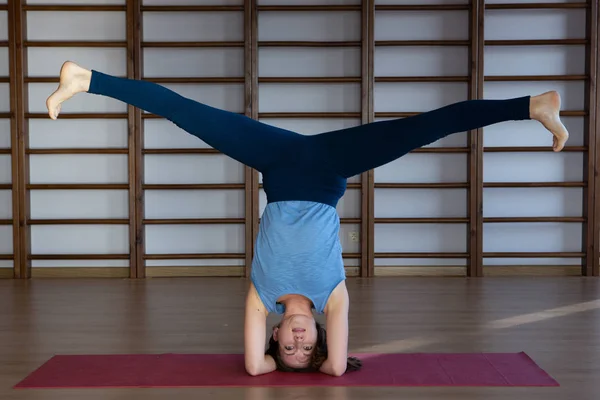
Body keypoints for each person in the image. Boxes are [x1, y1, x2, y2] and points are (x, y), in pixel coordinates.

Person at [46, 61, 569, 377]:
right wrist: (318, 366)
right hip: (329, 169)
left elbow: (254, 368)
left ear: (274, 336)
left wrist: (273, 366)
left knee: (187, 113)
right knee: (428, 126)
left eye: (289, 348)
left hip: (274, 162)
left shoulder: (259, 297)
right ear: (319, 335)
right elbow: (338, 368)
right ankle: (532, 105)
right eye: (308, 347)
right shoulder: (332, 297)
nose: (298, 342)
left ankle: (86, 78)